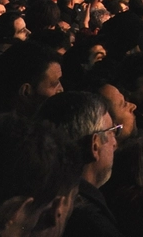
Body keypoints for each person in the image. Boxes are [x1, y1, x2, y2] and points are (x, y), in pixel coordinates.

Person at [38, 91, 125, 237]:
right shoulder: (94, 227)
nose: (115, 143)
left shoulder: (39, 202)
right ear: (95, 145)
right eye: (112, 132)